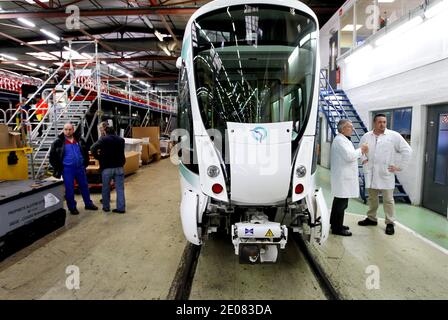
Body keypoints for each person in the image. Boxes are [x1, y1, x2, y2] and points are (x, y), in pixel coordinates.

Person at [358, 114, 412, 235]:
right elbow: (360, 150)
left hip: (386, 173)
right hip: (371, 172)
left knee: (388, 200)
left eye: (384, 122)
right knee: (372, 198)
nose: (382, 124)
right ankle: (371, 218)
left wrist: (400, 167)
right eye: (380, 122)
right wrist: (363, 159)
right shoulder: (367, 136)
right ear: (374, 123)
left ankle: (390, 223)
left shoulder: (393, 136)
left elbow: (407, 150)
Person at [49, 123, 98, 215]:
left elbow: (85, 152)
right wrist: (60, 168)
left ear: (73, 130)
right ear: (63, 130)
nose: (68, 131)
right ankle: (72, 207)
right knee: (70, 189)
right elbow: (52, 158)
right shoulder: (58, 142)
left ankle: (88, 204)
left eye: (70, 129)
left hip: (80, 168)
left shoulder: (79, 140)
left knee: (84, 186)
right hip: (67, 169)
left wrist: (84, 164)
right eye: (66, 129)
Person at [330, 119, 368, 236]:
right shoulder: (340, 141)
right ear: (342, 129)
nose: (353, 129)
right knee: (341, 204)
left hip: (343, 177)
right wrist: (362, 150)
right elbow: (350, 156)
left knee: (339, 202)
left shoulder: (344, 139)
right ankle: (337, 228)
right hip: (343, 178)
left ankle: (335, 224)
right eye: (349, 127)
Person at [91, 125, 126, 214]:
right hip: (119, 167)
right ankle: (121, 208)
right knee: (120, 189)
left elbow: (92, 148)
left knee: (106, 188)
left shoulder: (103, 139)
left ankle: (106, 207)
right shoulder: (121, 140)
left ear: (105, 132)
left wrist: (98, 157)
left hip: (107, 168)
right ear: (114, 131)